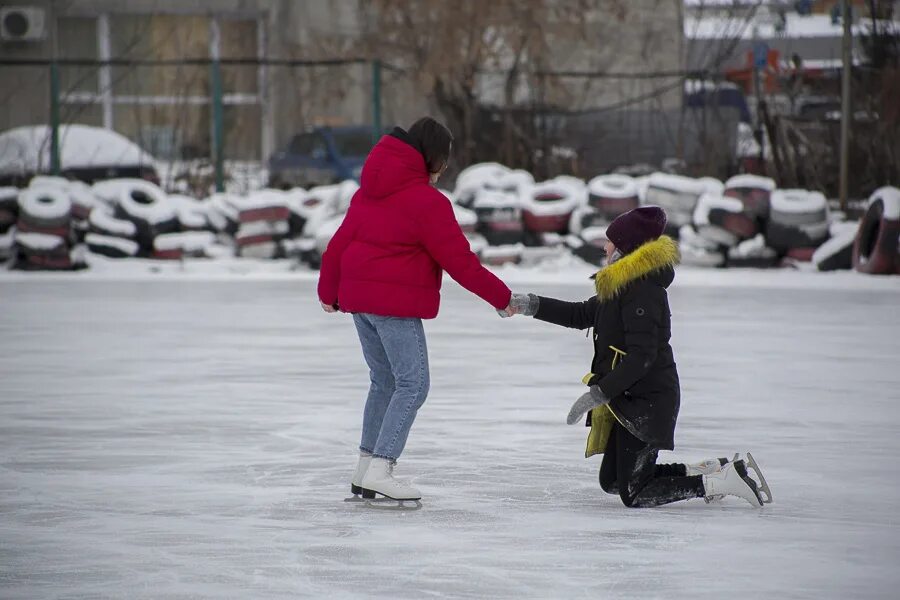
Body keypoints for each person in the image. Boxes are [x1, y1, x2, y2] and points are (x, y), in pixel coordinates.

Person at [502, 206, 771, 508]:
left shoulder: (643, 290)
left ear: (625, 248)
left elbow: (642, 357)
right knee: (613, 481)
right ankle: (704, 471)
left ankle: (717, 483)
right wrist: (528, 305)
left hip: (648, 400)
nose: (605, 247)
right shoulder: (621, 285)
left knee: (635, 491)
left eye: (611, 242)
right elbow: (581, 314)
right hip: (630, 398)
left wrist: (599, 393)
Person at [317, 117, 513, 503]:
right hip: (393, 306)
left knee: (384, 382)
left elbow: (339, 244)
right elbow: (460, 262)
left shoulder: (369, 192)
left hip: (359, 303)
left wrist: (329, 291)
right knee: (413, 384)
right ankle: (381, 468)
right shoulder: (427, 202)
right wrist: (502, 298)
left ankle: (365, 467)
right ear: (434, 158)